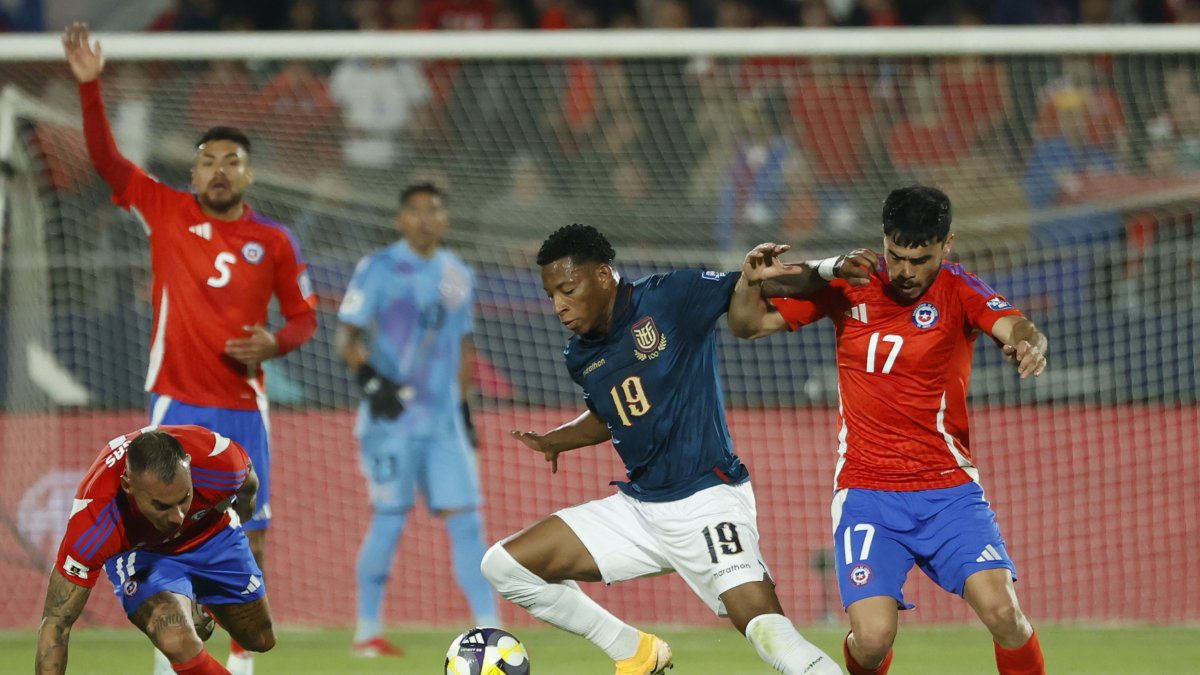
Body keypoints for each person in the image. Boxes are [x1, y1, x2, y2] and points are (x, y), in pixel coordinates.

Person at [63, 23, 318, 675]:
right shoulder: (166, 209)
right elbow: (109, 165)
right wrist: (91, 87)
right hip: (176, 404)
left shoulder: (276, 241)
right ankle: (170, 658)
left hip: (243, 406)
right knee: (159, 530)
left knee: (247, 532)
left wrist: (273, 341)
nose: (218, 169)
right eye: (208, 159)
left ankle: (242, 661)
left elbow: (304, 317)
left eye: (231, 160)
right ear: (196, 166)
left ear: (248, 172)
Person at [480, 224, 842, 675]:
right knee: (504, 566)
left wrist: (828, 269)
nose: (559, 306)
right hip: (640, 511)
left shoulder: (670, 297)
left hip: (707, 502)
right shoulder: (579, 354)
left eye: (568, 289)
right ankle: (634, 651)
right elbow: (613, 411)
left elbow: (762, 280)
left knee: (768, 631)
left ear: (603, 275)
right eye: (552, 294)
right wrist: (557, 439)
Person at [727, 185, 1048, 675]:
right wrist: (751, 280)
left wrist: (1028, 344)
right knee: (872, 640)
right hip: (868, 492)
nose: (904, 271)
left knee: (1006, 614)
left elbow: (1016, 326)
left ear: (947, 244)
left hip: (948, 493)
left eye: (919, 260)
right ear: (883, 241)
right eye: (896, 256)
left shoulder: (960, 290)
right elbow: (747, 325)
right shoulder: (850, 281)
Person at [336, 183, 497, 657]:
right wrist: (371, 381)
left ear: (446, 220)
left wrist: (465, 412)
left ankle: (490, 628)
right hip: (393, 420)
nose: (425, 218)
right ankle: (367, 632)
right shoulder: (379, 268)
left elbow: (464, 348)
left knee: (468, 523)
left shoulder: (457, 274)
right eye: (415, 211)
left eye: (434, 210)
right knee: (389, 518)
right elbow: (347, 337)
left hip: (444, 421)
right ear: (400, 219)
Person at [36, 425, 275, 675]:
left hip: (212, 534)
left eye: (184, 498)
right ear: (128, 485)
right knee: (176, 639)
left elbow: (249, 485)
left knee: (260, 639)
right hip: (144, 554)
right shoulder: (95, 520)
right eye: (161, 506)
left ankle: (200, 599)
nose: (177, 517)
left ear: (189, 466)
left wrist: (239, 518)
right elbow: (56, 624)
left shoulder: (217, 459)